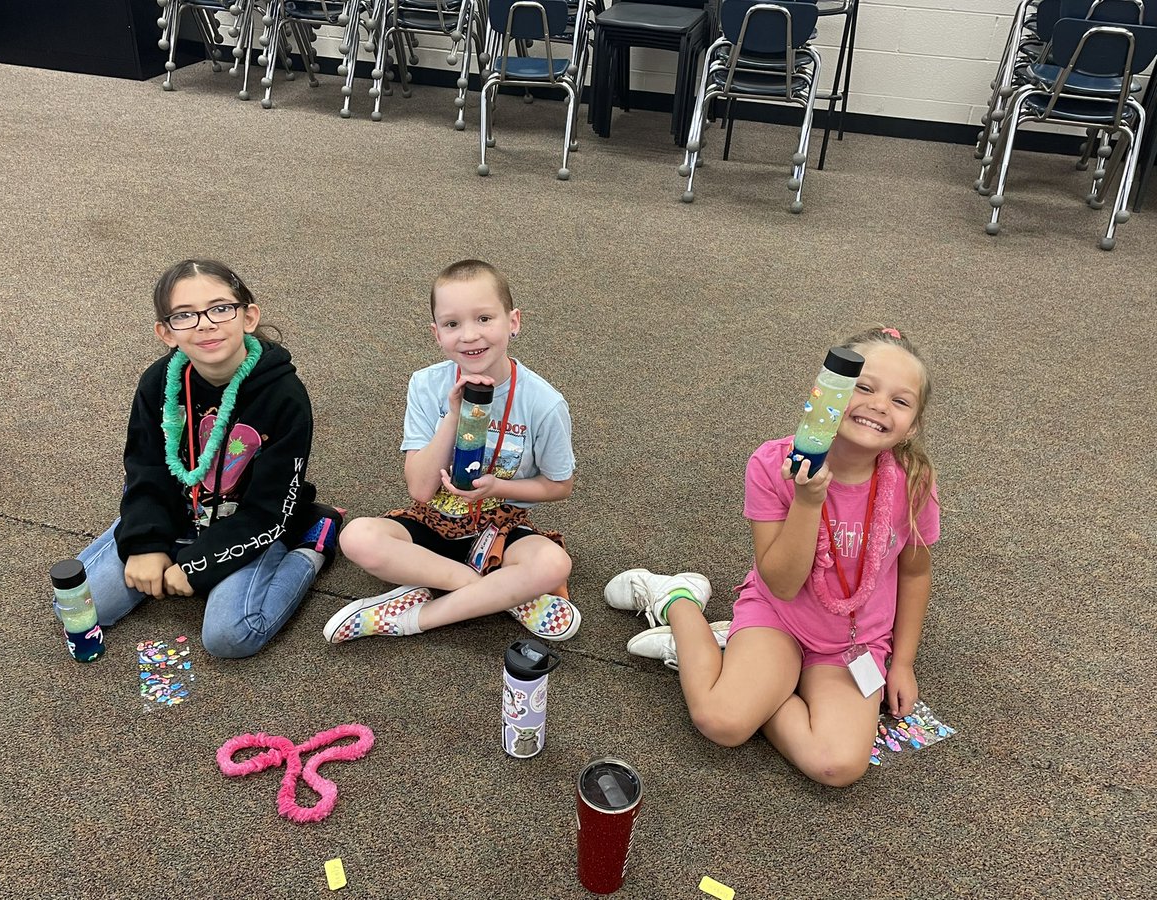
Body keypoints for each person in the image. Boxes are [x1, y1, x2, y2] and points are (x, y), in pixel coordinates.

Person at [605, 327, 939, 787]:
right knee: (722, 722)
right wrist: (808, 501)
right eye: (863, 387)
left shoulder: (913, 482)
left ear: (913, 425)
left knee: (838, 766)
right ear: (826, 393)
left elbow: (915, 573)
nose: (879, 405)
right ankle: (678, 600)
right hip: (779, 618)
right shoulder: (772, 464)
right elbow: (782, 583)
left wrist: (902, 662)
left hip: (853, 642)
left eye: (900, 401)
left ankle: (737, 669)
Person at [74, 259, 343, 658]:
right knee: (79, 608)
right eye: (185, 315)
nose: (204, 324)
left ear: (248, 317)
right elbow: (145, 470)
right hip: (176, 512)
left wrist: (199, 564)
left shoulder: (283, 395)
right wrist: (145, 543)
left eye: (220, 308)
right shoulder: (158, 383)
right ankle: (160, 548)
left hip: (250, 523)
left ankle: (313, 542)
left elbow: (268, 509)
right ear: (166, 333)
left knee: (230, 637)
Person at [326, 259, 578, 643]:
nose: (469, 336)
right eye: (452, 324)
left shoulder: (544, 403)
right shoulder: (426, 385)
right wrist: (454, 415)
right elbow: (420, 489)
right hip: (433, 521)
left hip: (500, 529)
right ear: (436, 333)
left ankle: (414, 617)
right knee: (357, 537)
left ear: (513, 322)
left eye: (484, 318)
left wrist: (497, 487)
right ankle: (501, 594)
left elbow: (560, 485)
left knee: (553, 563)